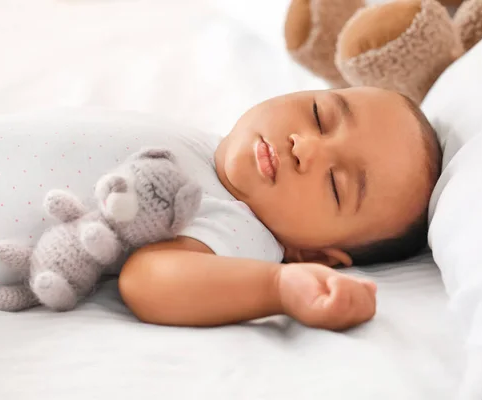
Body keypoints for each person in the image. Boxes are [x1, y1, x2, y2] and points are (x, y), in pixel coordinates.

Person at [118, 86, 442, 331]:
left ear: (314, 255)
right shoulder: (206, 144)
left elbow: (146, 280)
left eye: (334, 184)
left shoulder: (239, 227)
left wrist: (278, 287)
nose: (306, 147)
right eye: (318, 114)